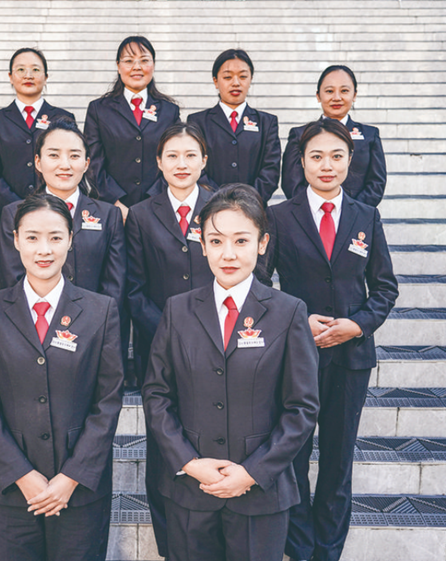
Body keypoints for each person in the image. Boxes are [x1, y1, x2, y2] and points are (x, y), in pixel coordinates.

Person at [142, 184, 320, 561]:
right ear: (202, 244)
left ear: (262, 243)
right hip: (191, 493)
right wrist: (190, 463)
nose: (228, 254)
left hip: (261, 495)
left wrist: (252, 472)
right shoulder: (177, 310)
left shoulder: (289, 312)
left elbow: (302, 408)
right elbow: (157, 395)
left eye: (241, 241)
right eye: (216, 241)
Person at [0, 193, 124, 561]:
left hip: (80, 490)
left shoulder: (101, 311)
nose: (44, 249)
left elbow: (108, 401)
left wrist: (71, 477)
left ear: (71, 239)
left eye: (55, 237)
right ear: (15, 239)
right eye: (32, 237)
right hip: (12, 488)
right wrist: (21, 473)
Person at [266, 119, 398, 561]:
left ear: (350, 160)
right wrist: (297, 321)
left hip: (350, 358)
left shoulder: (366, 216)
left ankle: (327, 552)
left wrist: (356, 325)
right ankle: (300, 548)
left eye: (336, 156)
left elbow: (385, 288)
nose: (327, 165)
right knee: (294, 457)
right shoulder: (279, 216)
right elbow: (260, 284)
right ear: (301, 162)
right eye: (317, 156)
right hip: (295, 357)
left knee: (338, 463)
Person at [125, 122, 215, 558]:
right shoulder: (142, 215)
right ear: (158, 162)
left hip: (220, 350)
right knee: (164, 446)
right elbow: (134, 288)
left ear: (204, 160)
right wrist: (170, 335)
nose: (182, 163)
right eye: (172, 156)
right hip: (158, 350)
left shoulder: (223, 207)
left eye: (190, 155)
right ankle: (169, 545)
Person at [0, 118, 126, 319]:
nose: (65, 165)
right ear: (38, 162)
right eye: (54, 155)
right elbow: (12, 279)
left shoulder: (109, 215)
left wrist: (95, 324)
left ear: (86, 163)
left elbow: (114, 284)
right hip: (33, 324)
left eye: (74, 156)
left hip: (94, 325)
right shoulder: (13, 213)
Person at [85, 35, 181, 221]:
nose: (137, 67)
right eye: (129, 61)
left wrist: (153, 202)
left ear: (153, 65)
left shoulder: (169, 112)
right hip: (109, 208)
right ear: (118, 66)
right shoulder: (99, 110)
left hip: (158, 208)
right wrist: (116, 204)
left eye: (144, 60)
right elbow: (93, 161)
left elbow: (175, 158)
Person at [0, 47, 76, 222]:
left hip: (55, 212)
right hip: (8, 215)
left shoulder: (63, 118)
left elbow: (71, 163)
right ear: (10, 76)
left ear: (46, 77)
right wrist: (17, 207)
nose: (28, 75)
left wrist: (51, 204)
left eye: (36, 70)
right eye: (21, 69)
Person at [281, 65, 387, 207]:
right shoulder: (299, 135)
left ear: (354, 95)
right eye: (329, 91)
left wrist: (351, 211)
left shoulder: (370, 135)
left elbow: (376, 183)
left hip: (357, 214)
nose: (337, 98)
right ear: (318, 96)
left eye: (344, 91)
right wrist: (316, 210)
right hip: (309, 215)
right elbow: (291, 183)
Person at [187, 49, 281, 204]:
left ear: (250, 79)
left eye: (243, 76)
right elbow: (195, 166)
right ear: (216, 81)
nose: (236, 83)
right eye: (227, 77)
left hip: (253, 208)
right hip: (209, 206)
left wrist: (248, 202)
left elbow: (271, 170)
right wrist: (217, 201)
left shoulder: (267, 123)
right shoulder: (198, 122)